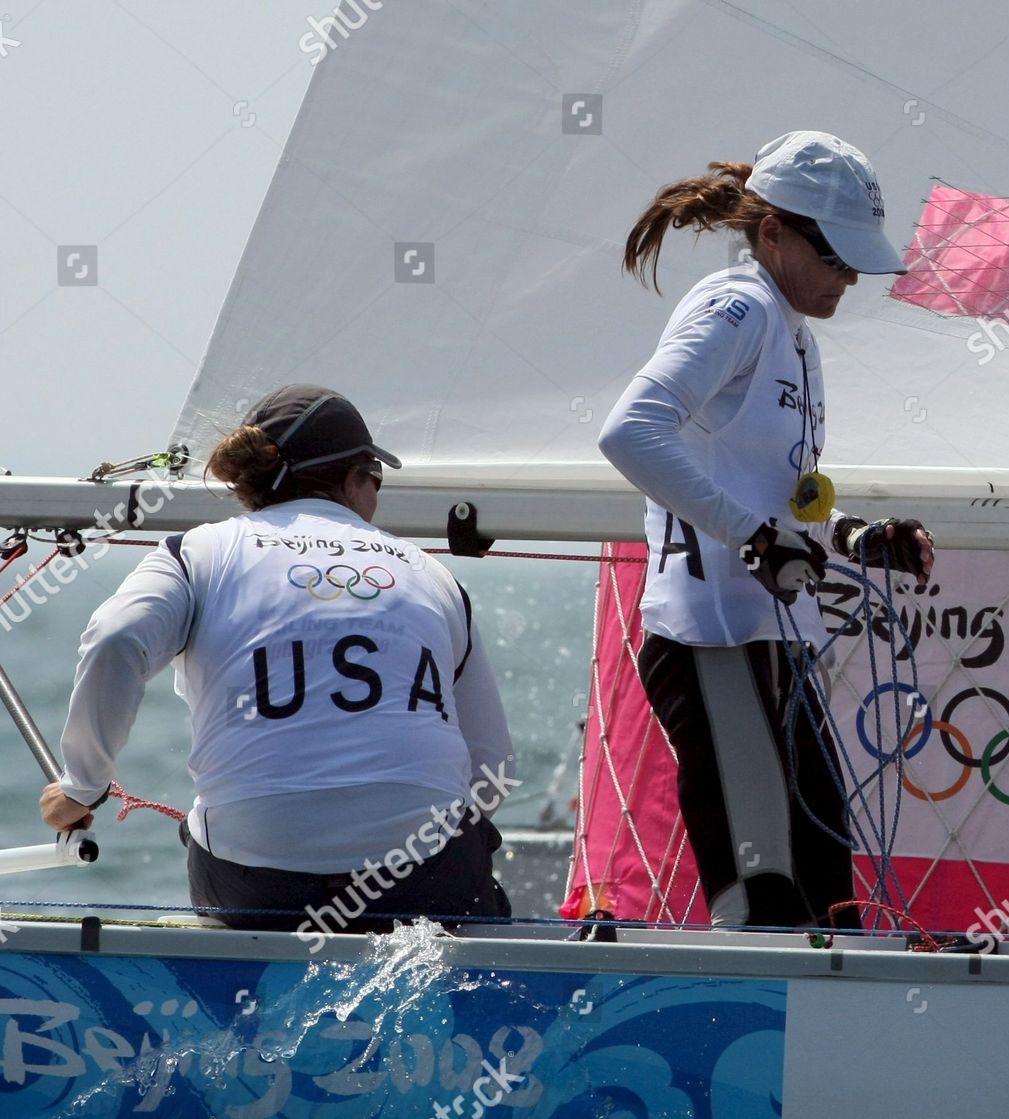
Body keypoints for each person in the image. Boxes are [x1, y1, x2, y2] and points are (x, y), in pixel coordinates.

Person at [598, 131, 935, 930]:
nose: (850, 276)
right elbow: (629, 430)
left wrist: (853, 536)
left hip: (773, 644)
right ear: (775, 232)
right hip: (711, 642)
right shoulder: (740, 306)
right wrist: (752, 537)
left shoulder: (795, 331)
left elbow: (778, 496)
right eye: (837, 256)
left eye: (858, 260)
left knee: (830, 905)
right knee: (765, 908)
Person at [40, 385, 513, 934]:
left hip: (257, 882)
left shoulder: (194, 553)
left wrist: (82, 786)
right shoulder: (433, 575)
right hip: (419, 877)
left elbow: (116, 638)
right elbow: (493, 769)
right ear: (353, 479)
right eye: (376, 478)